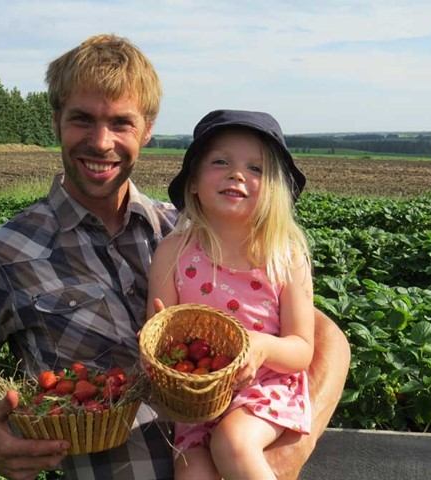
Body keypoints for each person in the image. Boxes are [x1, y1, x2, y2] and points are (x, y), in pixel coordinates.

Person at [0, 34, 350, 480]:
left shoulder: (196, 230)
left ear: (147, 128)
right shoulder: (3, 254)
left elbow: (325, 340)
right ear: (56, 122)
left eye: (121, 123)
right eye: (82, 120)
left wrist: (284, 451)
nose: (101, 142)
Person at [146, 109, 317, 479]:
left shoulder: (285, 255)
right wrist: (161, 341)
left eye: (256, 169)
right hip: (198, 398)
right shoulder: (173, 252)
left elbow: (302, 348)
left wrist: (262, 346)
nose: (237, 174)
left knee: (233, 441)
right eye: (220, 161)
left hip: (265, 389)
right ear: (192, 182)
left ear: (273, 187)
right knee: (193, 473)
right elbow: (158, 340)